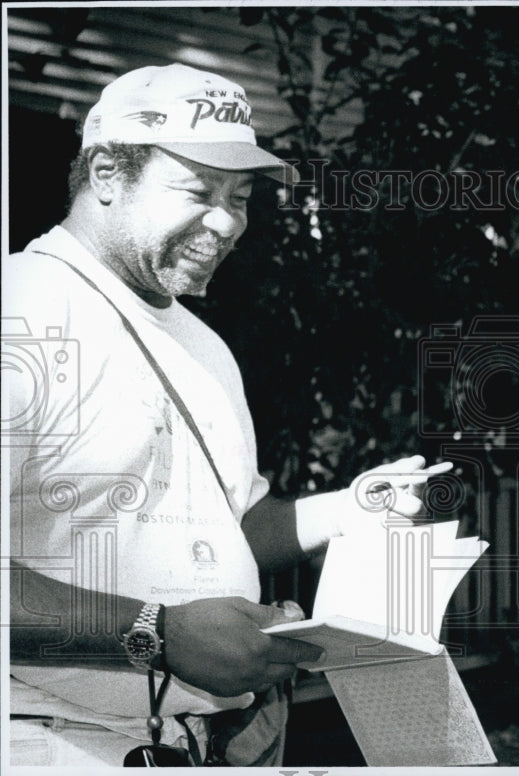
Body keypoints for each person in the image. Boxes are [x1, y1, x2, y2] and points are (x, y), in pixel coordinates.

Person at [3, 63, 439, 767]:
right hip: (49, 743)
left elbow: (231, 525)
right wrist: (157, 632)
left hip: (207, 748)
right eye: (199, 191)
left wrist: (346, 512)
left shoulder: (202, 344)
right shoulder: (22, 311)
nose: (228, 221)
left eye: (240, 197)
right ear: (109, 173)